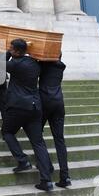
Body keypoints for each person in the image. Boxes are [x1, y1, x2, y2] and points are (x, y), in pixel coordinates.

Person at [2, 38, 54, 192]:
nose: (10, 50)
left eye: (12, 48)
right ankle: (46, 179)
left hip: (18, 106)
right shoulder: (35, 64)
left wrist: (7, 53)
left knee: (7, 132)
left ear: (17, 51)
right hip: (35, 106)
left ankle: (22, 160)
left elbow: (0, 63)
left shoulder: (14, 64)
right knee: (38, 142)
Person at [39, 54, 71, 188]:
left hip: (45, 102)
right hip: (59, 103)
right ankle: (65, 176)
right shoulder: (61, 66)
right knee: (59, 140)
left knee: (36, 136)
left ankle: (46, 164)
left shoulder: (43, 66)